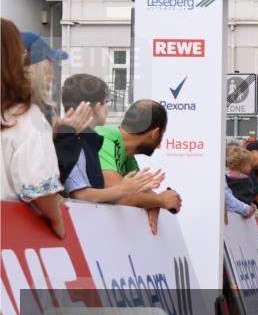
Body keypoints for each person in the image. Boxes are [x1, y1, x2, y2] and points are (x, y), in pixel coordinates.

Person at [1, 19, 65, 238]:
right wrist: (57, 221)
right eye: (49, 67)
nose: (53, 76)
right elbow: (39, 187)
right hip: (12, 237)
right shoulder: (26, 118)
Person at [57, 74, 163, 204]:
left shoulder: (87, 140)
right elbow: (81, 195)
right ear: (96, 107)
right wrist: (123, 189)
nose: (108, 108)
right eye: (106, 102)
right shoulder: (73, 141)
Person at [97, 99, 183, 234]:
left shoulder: (126, 151)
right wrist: (160, 201)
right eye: (162, 134)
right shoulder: (104, 139)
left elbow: (142, 191)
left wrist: (154, 203)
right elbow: (121, 196)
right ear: (154, 133)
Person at [224, 145, 258, 220]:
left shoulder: (224, 176)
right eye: (249, 165)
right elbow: (248, 198)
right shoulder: (245, 179)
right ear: (243, 165)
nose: (251, 167)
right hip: (240, 215)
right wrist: (251, 207)